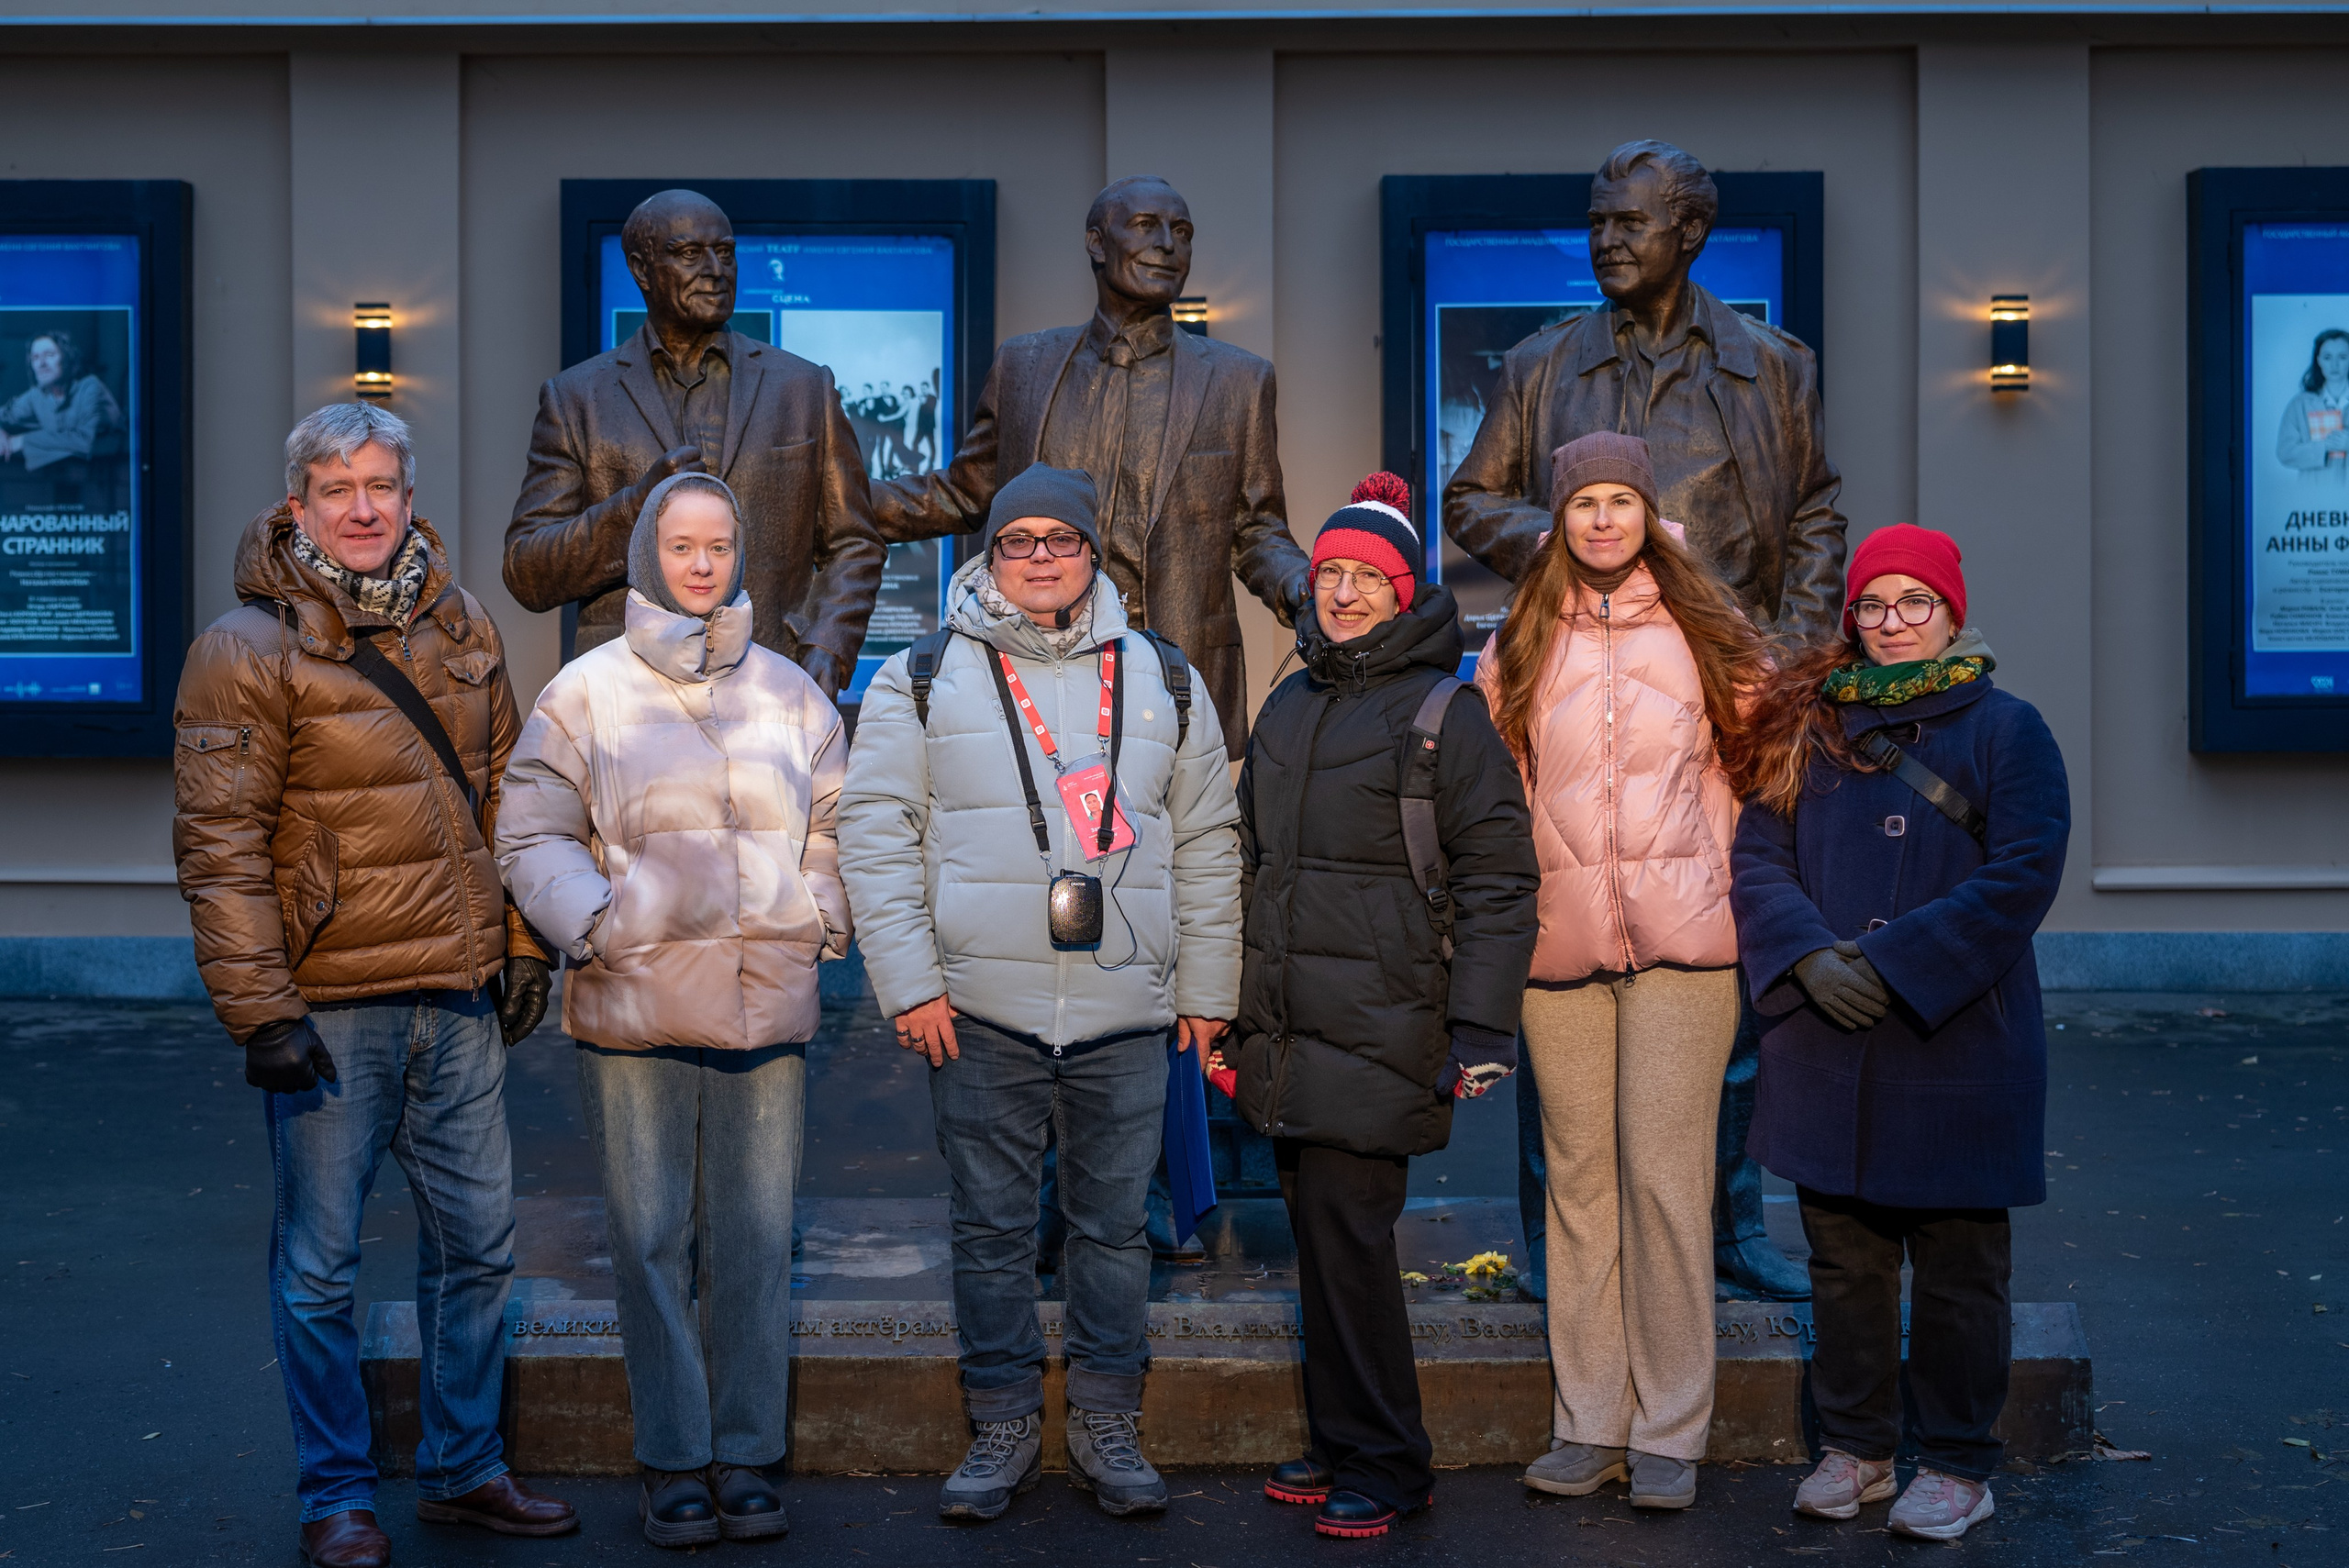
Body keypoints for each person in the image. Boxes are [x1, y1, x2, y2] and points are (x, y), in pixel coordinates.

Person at [1442, 140, 1845, 1304]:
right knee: (1560, 960)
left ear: (1692, 233)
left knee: (1725, 980)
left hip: (1720, 704)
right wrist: (1560, 550)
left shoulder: (1771, 367)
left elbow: (1816, 510)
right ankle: (1554, 1238)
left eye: (1631, 221)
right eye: (1598, 221)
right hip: (1578, 685)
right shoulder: (1540, 361)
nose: (1609, 238)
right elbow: (1473, 495)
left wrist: (1786, 660)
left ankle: (1724, 1227)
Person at [172, 404, 572, 1568]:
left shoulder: (461, 621)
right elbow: (221, 845)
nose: (362, 506)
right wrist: (260, 1011)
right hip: (328, 1009)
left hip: (457, 993)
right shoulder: (243, 648)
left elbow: (514, 797)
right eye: (338, 486)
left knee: (479, 1245)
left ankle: (460, 1467)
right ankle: (335, 1493)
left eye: (381, 485)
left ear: (407, 495)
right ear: (297, 503)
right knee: (319, 1266)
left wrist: (522, 949)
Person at [839, 464, 1242, 1524]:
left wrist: (1206, 986)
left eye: (1061, 540)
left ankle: (1109, 1420)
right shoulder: (922, 675)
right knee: (990, 1227)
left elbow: (1207, 839)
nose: (1040, 559)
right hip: (978, 1005)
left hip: (1125, 1008)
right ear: (989, 553)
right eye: (1018, 540)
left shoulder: (1164, 675)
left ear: (1091, 554)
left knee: (1115, 1229)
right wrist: (910, 982)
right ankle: (1004, 1418)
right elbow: (875, 836)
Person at [495, 473, 849, 1549]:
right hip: (637, 997)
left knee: (750, 1237)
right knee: (649, 1237)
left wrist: (818, 911)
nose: (703, 565)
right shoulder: (586, 689)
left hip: (765, 999)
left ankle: (744, 1452)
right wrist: (599, 925)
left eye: (721, 546)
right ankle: (671, 1456)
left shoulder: (792, 691)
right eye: (683, 546)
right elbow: (531, 830)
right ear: (649, 555)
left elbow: (835, 818)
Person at [1727, 524, 2069, 1542]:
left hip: (1957, 1038)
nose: (1890, 623)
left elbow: (2024, 872)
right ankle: (1859, 1445)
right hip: (1828, 1041)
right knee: (1846, 1262)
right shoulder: (1810, 725)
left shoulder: (2009, 729)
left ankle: (1960, 1462)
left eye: (1912, 603)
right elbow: (1756, 855)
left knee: (1961, 1266)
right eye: (1873, 605)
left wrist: (1888, 962)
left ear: (1950, 614)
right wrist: (1805, 955)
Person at [1230, 473, 1539, 1539]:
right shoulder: (1293, 698)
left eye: (1369, 577)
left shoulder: (1445, 716)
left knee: (1352, 1239)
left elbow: (1501, 877)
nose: (1345, 594)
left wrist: (1481, 1026)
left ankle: (1390, 1462)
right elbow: (1252, 861)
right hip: (1284, 1023)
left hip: (1383, 1022)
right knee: (1318, 1239)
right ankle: (1339, 1435)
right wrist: (1229, 1012)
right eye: (1330, 575)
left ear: (1406, 594)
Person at [1479, 432, 1765, 1512]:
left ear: (1648, 511)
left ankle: (1670, 1426)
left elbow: (1765, 759)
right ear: (1560, 517)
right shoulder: (1522, 633)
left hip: (1686, 944)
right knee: (1580, 1185)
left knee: (1664, 1179)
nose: (1602, 519)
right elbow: (1495, 785)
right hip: (1558, 948)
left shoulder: (1706, 624)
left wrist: (1741, 884)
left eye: (1620, 500)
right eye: (1584, 502)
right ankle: (1588, 1419)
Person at [872, 175, 1310, 759]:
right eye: (1146, 226)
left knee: (1179, 846)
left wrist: (1310, 590)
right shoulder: (1026, 366)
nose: (1167, 245)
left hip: (1174, 671)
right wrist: (835, 498)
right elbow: (967, 491)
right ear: (1096, 243)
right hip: (1037, 664)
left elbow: (1258, 531)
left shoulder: (1239, 380)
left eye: (1181, 232)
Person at [504, 188, 886, 697]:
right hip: (627, 697)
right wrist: (632, 511)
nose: (715, 269)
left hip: (772, 681)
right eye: (690, 254)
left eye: (725, 252)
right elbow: (528, 571)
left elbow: (854, 541)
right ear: (642, 270)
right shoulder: (577, 399)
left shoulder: (803, 387)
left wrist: (829, 646)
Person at [0, 329, 122, 468]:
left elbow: (83, 442)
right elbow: (3, 414)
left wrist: (21, 441)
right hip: (66, 472)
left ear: (68, 358)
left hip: (114, 469)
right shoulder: (36, 395)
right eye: (35, 358)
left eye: (49, 355)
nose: (41, 364)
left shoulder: (90, 387)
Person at [2277, 327, 2349, 484]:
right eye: (2327, 357)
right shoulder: (2300, 404)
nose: (2334, 365)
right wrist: (2323, 447)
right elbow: (2284, 452)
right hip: (2314, 499)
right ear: (2318, 360)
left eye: (2343, 357)